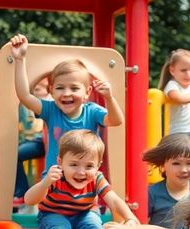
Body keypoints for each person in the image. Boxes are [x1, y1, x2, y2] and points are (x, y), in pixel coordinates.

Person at [24, 130, 138, 229]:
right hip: (53, 214)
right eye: (73, 164)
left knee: (96, 228)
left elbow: (114, 200)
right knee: (58, 228)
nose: (81, 172)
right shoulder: (55, 177)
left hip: (84, 215)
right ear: (60, 162)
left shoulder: (96, 179)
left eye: (89, 166)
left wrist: (129, 217)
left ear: (98, 166)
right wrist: (45, 183)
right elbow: (29, 200)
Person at [10, 34, 123, 174]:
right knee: (34, 195)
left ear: (87, 92)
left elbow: (116, 120)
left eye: (74, 88)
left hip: (83, 179)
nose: (66, 93)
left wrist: (109, 98)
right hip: (55, 179)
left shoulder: (92, 112)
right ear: (51, 91)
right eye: (60, 88)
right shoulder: (51, 110)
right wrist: (19, 59)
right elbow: (24, 96)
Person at [15, 76, 50, 204]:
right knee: (15, 154)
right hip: (40, 141)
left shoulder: (51, 101)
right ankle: (22, 193)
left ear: (48, 89)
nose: (34, 92)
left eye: (38, 89)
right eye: (33, 90)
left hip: (52, 140)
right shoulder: (30, 104)